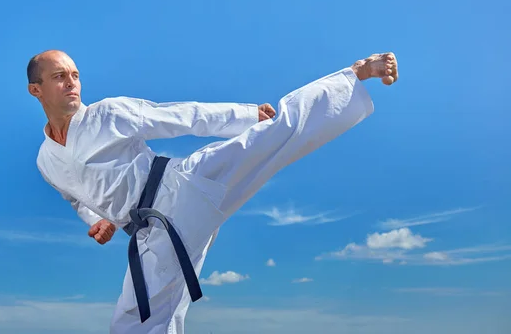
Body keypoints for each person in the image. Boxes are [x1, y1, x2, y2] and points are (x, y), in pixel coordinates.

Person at [27, 49, 398, 334]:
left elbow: (180, 115)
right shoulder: (47, 161)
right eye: (60, 76)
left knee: (269, 137)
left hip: (182, 188)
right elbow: (75, 195)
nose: (72, 82)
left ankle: (356, 74)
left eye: (75, 74)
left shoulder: (105, 114)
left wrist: (246, 115)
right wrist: (99, 219)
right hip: (149, 236)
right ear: (37, 90)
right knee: (133, 323)